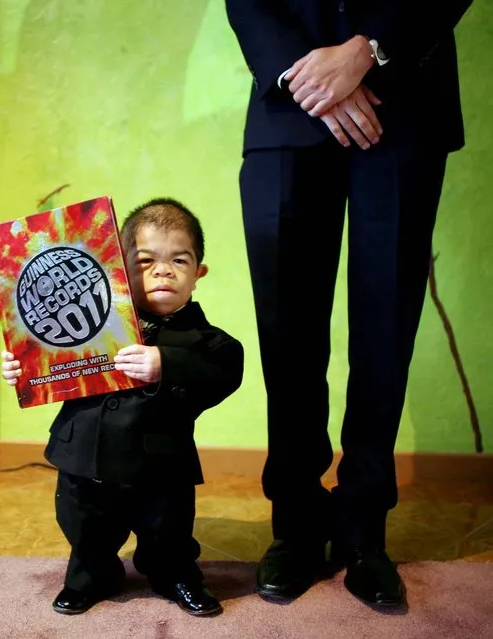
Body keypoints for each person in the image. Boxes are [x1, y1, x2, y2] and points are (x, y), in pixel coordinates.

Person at [225, 0, 473, 607]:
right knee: (288, 329)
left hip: (404, 97)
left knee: (385, 327)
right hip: (288, 103)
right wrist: (307, 74)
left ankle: (365, 532)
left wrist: (369, 49)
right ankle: (297, 526)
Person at [0, 197, 244, 617]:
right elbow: (45, 357)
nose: (163, 271)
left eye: (179, 261)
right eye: (146, 260)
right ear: (118, 270)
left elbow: (225, 371)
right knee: (84, 527)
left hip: (161, 466)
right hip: (84, 457)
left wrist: (166, 363)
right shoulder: (83, 319)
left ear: (198, 274)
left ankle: (174, 575)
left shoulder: (207, 342)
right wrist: (20, 368)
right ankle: (90, 576)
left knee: (167, 531)